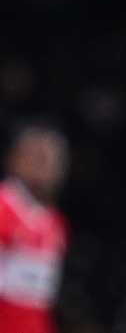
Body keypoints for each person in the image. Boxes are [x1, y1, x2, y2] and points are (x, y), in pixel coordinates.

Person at [0, 124, 69, 333]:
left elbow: (40, 300)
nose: (47, 167)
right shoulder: (3, 207)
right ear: (15, 159)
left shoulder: (56, 222)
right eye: (39, 157)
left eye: (54, 161)